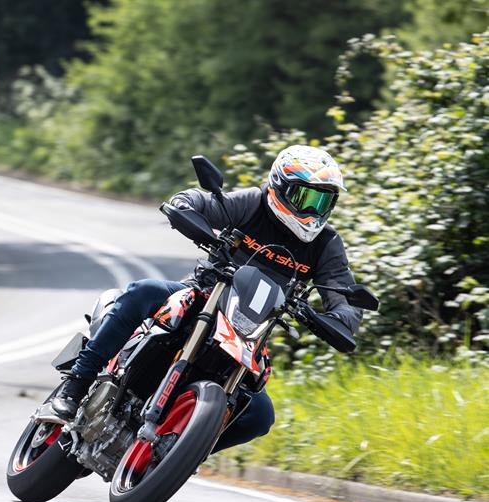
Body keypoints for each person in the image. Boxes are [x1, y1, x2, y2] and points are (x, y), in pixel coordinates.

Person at [51, 145, 363, 453]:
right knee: (142, 291)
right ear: (280, 187)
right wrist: (186, 207)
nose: (313, 210)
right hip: (203, 295)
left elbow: (343, 297)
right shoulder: (254, 203)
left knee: (259, 416)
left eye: (323, 200)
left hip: (249, 332)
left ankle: (178, 454)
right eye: (306, 197)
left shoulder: (326, 245)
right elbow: (201, 202)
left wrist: (337, 318)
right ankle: (77, 383)